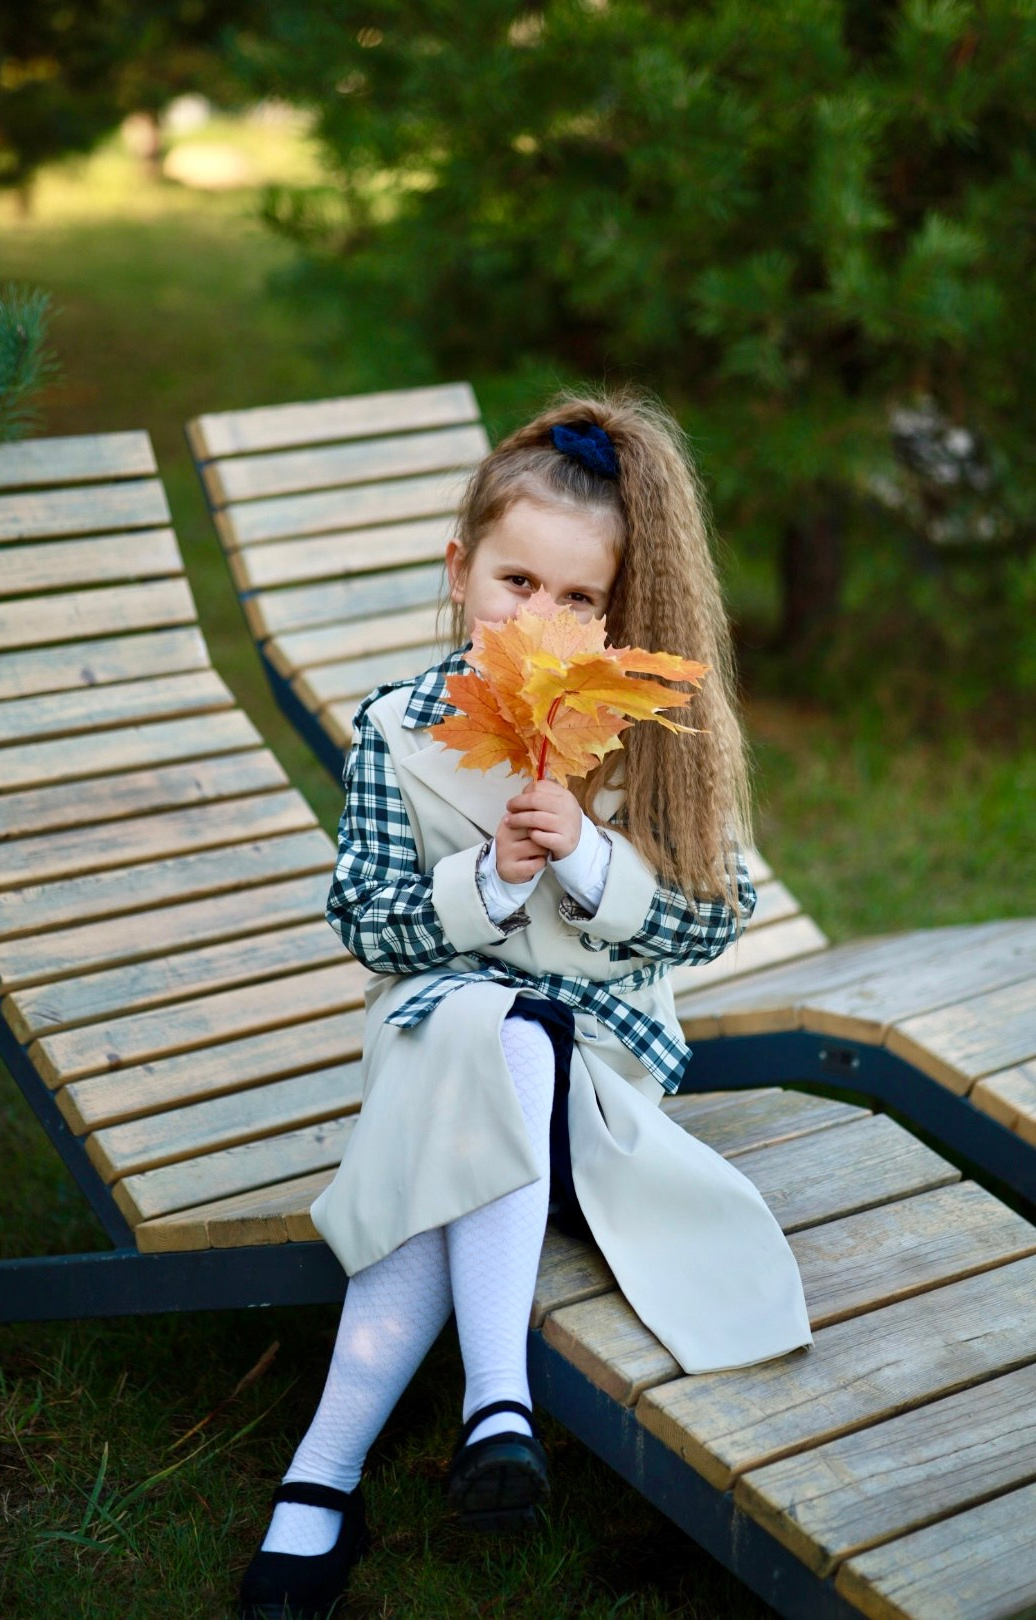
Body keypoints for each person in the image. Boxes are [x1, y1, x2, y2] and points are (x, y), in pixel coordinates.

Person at [238, 390, 812, 1620]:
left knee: (514, 1037)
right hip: (439, 1061)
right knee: (479, 1026)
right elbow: (364, 922)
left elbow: (717, 916)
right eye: (515, 583)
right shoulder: (398, 730)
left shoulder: (650, 732)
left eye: (580, 598)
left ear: (621, 610)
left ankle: (325, 1479)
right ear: (460, 573)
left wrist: (596, 866)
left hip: (592, 1080)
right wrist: (483, 887)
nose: (541, 621)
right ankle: (486, 1411)